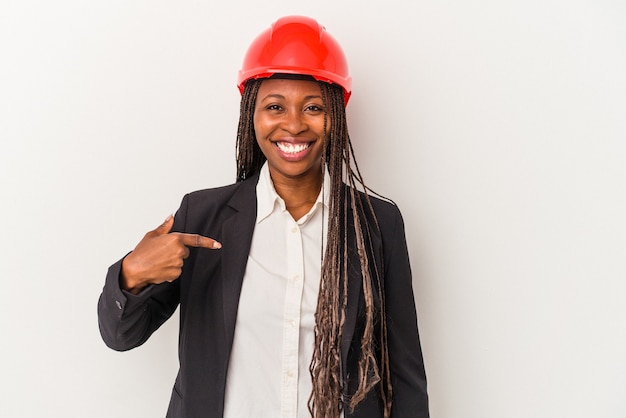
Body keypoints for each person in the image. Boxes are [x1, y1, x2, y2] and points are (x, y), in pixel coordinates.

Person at [98, 15, 429, 418]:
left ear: (336, 117)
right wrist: (132, 274)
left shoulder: (378, 224)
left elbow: (405, 375)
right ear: (251, 114)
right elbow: (120, 336)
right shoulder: (202, 218)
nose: (293, 124)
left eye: (312, 107)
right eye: (275, 106)